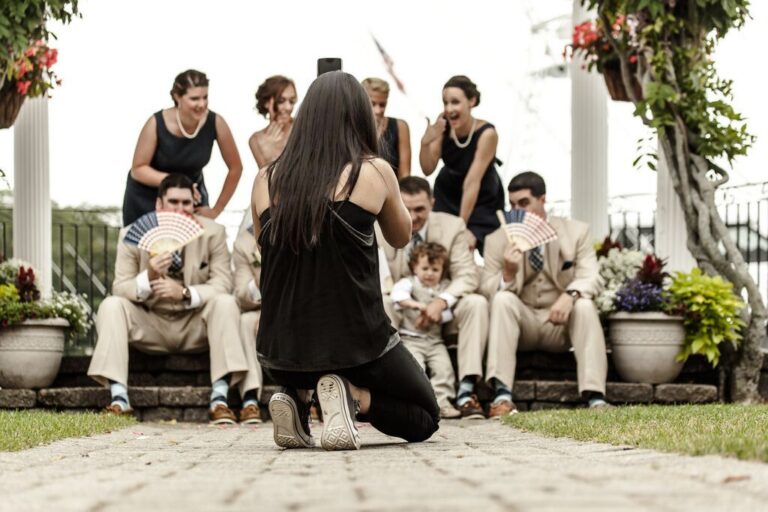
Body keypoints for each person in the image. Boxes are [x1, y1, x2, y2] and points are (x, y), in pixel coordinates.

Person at [251, 71, 439, 451]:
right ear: (360, 117)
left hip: (280, 349)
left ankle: (296, 398)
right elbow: (401, 236)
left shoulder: (265, 179)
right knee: (425, 416)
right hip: (356, 344)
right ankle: (352, 396)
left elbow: (267, 252)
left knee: (306, 363)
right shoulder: (373, 170)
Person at [90, 174, 262, 425]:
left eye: (186, 203)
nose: (180, 209)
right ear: (159, 204)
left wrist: (184, 292)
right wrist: (148, 277)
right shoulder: (131, 234)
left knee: (225, 303)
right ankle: (119, 398)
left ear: (194, 204)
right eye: (173, 202)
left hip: (195, 324)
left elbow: (223, 284)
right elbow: (120, 286)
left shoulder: (213, 233)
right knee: (111, 305)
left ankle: (219, 399)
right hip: (150, 323)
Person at [480, 171, 610, 417]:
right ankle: (502, 396)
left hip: (559, 324)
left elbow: (592, 276)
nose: (517, 211)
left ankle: (596, 398)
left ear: (542, 200)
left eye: (524, 203)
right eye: (512, 205)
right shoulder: (497, 239)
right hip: (523, 323)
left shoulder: (576, 232)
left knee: (584, 305)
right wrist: (507, 274)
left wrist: (570, 295)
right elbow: (486, 289)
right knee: (502, 299)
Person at [377, 177, 489, 420]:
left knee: (476, 303)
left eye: (420, 209)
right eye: (406, 209)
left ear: (432, 203)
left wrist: (441, 302)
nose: (413, 216)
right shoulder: (378, 226)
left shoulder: (453, 226)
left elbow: (467, 275)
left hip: (443, 315)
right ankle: (388, 393)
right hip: (399, 311)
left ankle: (466, 391)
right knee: (382, 303)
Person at [122, 69, 243, 226]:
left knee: (198, 239)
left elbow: (235, 168)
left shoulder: (216, 122)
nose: (202, 104)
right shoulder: (155, 123)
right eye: (194, 98)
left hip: (192, 198)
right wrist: (179, 184)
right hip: (148, 198)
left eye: (205, 97)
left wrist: (216, 210)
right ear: (177, 97)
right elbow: (138, 169)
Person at [419, 75, 504, 254]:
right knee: (441, 247)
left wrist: (460, 226)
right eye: (445, 103)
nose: (449, 109)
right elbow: (427, 169)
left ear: (471, 101)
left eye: (455, 102)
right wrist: (425, 143)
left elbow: (472, 182)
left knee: (475, 242)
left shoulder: (487, 133)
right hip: (448, 191)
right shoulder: (443, 122)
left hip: (480, 194)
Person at [390, 242, 460, 419]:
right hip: (411, 339)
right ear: (415, 267)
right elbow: (397, 296)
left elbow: (450, 312)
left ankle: (442, 403)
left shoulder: (444, 287)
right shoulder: (409, 283)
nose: (429, 273)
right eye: (425, 268)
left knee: (444, 370)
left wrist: (436, 316)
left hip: (435, 341)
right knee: (415, 369)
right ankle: (417, 404)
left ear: (442, 271)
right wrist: (420, 306)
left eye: (435, 270)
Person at [231, 226, 266, 424]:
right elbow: (242, 296)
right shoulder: (243, 243)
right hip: (261, 308)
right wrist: (258, 282)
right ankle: (250, 397)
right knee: (245, 321)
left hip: (295, 309)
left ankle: (307, 396)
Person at [361, 77, 411, 178]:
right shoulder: (352, 127)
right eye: (372, 104)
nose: (378, 110)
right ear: (361, 101)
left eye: (382, 105)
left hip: (391, 186)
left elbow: (405, 174)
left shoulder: (400, 127)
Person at [248, 75, 298, 169]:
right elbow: (266, 176)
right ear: (267, 103)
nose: (288, 107)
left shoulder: (303, 127)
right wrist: (269, 154)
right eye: (281, 101)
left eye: (291, 101)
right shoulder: (256, 139)